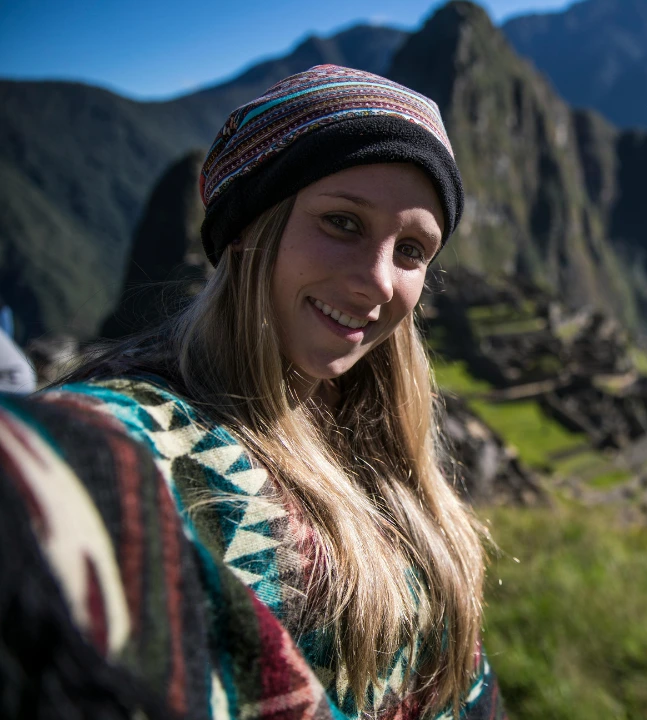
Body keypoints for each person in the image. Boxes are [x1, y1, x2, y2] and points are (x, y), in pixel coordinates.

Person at [0, 65, 504, 719]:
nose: (379, 282)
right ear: (248, 229)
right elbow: (62, 472)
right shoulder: (150, 430)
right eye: (344, 224)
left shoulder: (391, 452)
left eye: (411, 250)